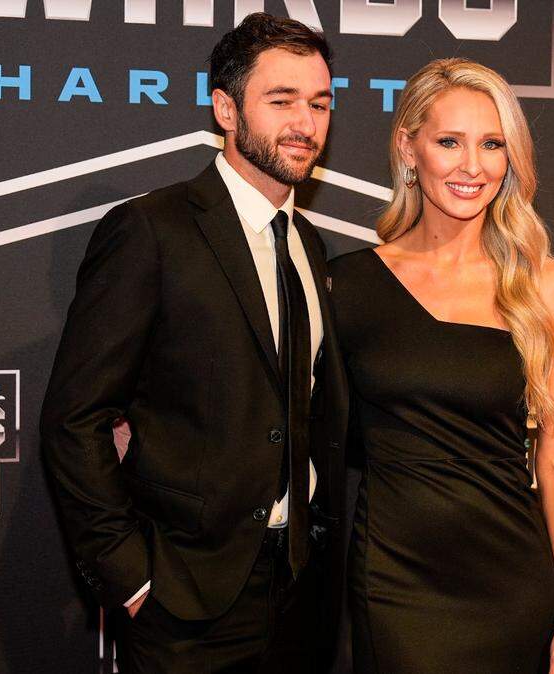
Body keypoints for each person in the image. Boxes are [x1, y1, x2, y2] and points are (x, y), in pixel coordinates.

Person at [39, 14, 348, 673]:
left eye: (320, 103)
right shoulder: (152, 231)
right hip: (183, 601)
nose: (306, 123)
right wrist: (129, 575)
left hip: (299, 592)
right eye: (282, 100)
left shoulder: (308, 245)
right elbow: (75, 419)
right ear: (225, 109)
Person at [329, 58, 554, 674]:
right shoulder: (346, 285)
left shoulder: (546, 286)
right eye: (450, 142)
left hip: (510, 580)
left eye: (492, 144)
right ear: (409, 148)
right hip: (395, 582)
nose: (472, 166)